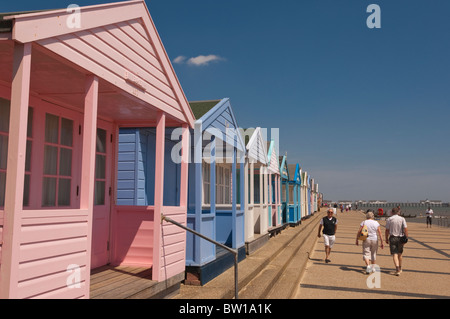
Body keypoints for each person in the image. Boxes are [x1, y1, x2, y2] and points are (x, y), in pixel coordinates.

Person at [385, 207, 408, 276]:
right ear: (398, 212)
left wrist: (386, 238)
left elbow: (387, 230)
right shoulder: (402, 219)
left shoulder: (389, 219)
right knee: (400, 253)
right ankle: (400, 268)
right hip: (400, 238)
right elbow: (405, 229)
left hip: (392, 238)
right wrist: (406, 238)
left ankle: (397, 268)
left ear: (392, 212)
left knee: (394, 254)